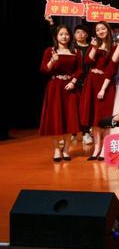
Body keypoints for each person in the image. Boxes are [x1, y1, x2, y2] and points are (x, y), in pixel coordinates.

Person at [40, 25, 82, 161]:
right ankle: (57, 150)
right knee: (56, 119)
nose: (64, 37)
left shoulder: (75, 51)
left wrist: (73, 82)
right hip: (55, 88)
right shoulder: (50, 51)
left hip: (70, 87)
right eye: (61, 34)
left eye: (67, 34)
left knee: (70, 119)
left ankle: (66, 149)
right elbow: (44, 69)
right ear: (56, 36)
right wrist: (52, 61)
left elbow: (79, 70)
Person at [80, 21, 117, 160]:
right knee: (94, 119)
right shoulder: (94, 44)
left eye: (103, 28)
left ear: (108, 30)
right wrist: (94, 48)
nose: (100, 31)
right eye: (98, 30)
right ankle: (96, 149)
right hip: (91, 82)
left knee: (104, 118)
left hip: (105, 84)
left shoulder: (113, 47)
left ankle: (104, 149)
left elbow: (112, 69)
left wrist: (103, 89)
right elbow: (87, 62)